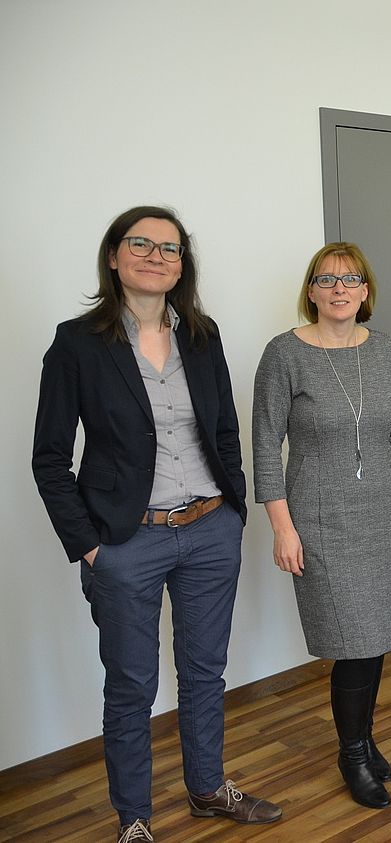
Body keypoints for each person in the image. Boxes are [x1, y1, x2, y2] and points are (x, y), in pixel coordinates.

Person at [32, 206, 282, 843]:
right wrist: (89, 547)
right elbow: (50, 458)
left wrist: (233, 510)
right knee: (131, 685)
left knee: (204, 672)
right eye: (139, 243)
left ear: (181, 266)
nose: (155, 256)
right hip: (126, 541)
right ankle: (134, 819)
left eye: (169, 248)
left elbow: (223, 430)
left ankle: (207, 788)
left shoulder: (201, 335)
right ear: (113, 257)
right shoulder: (77, 343)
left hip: (209, 529)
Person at [252, 242, 391, 810]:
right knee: (352, 643)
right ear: (311, 291)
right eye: (326, 280)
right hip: (321, 519)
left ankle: (364, 739)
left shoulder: (383, 349)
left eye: (351, 280)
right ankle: (351, 754)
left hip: (383, 513)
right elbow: (264, 445)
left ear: (366, 291)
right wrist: (282, 527)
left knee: (374, 640)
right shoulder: (285, 354)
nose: (339, 289)